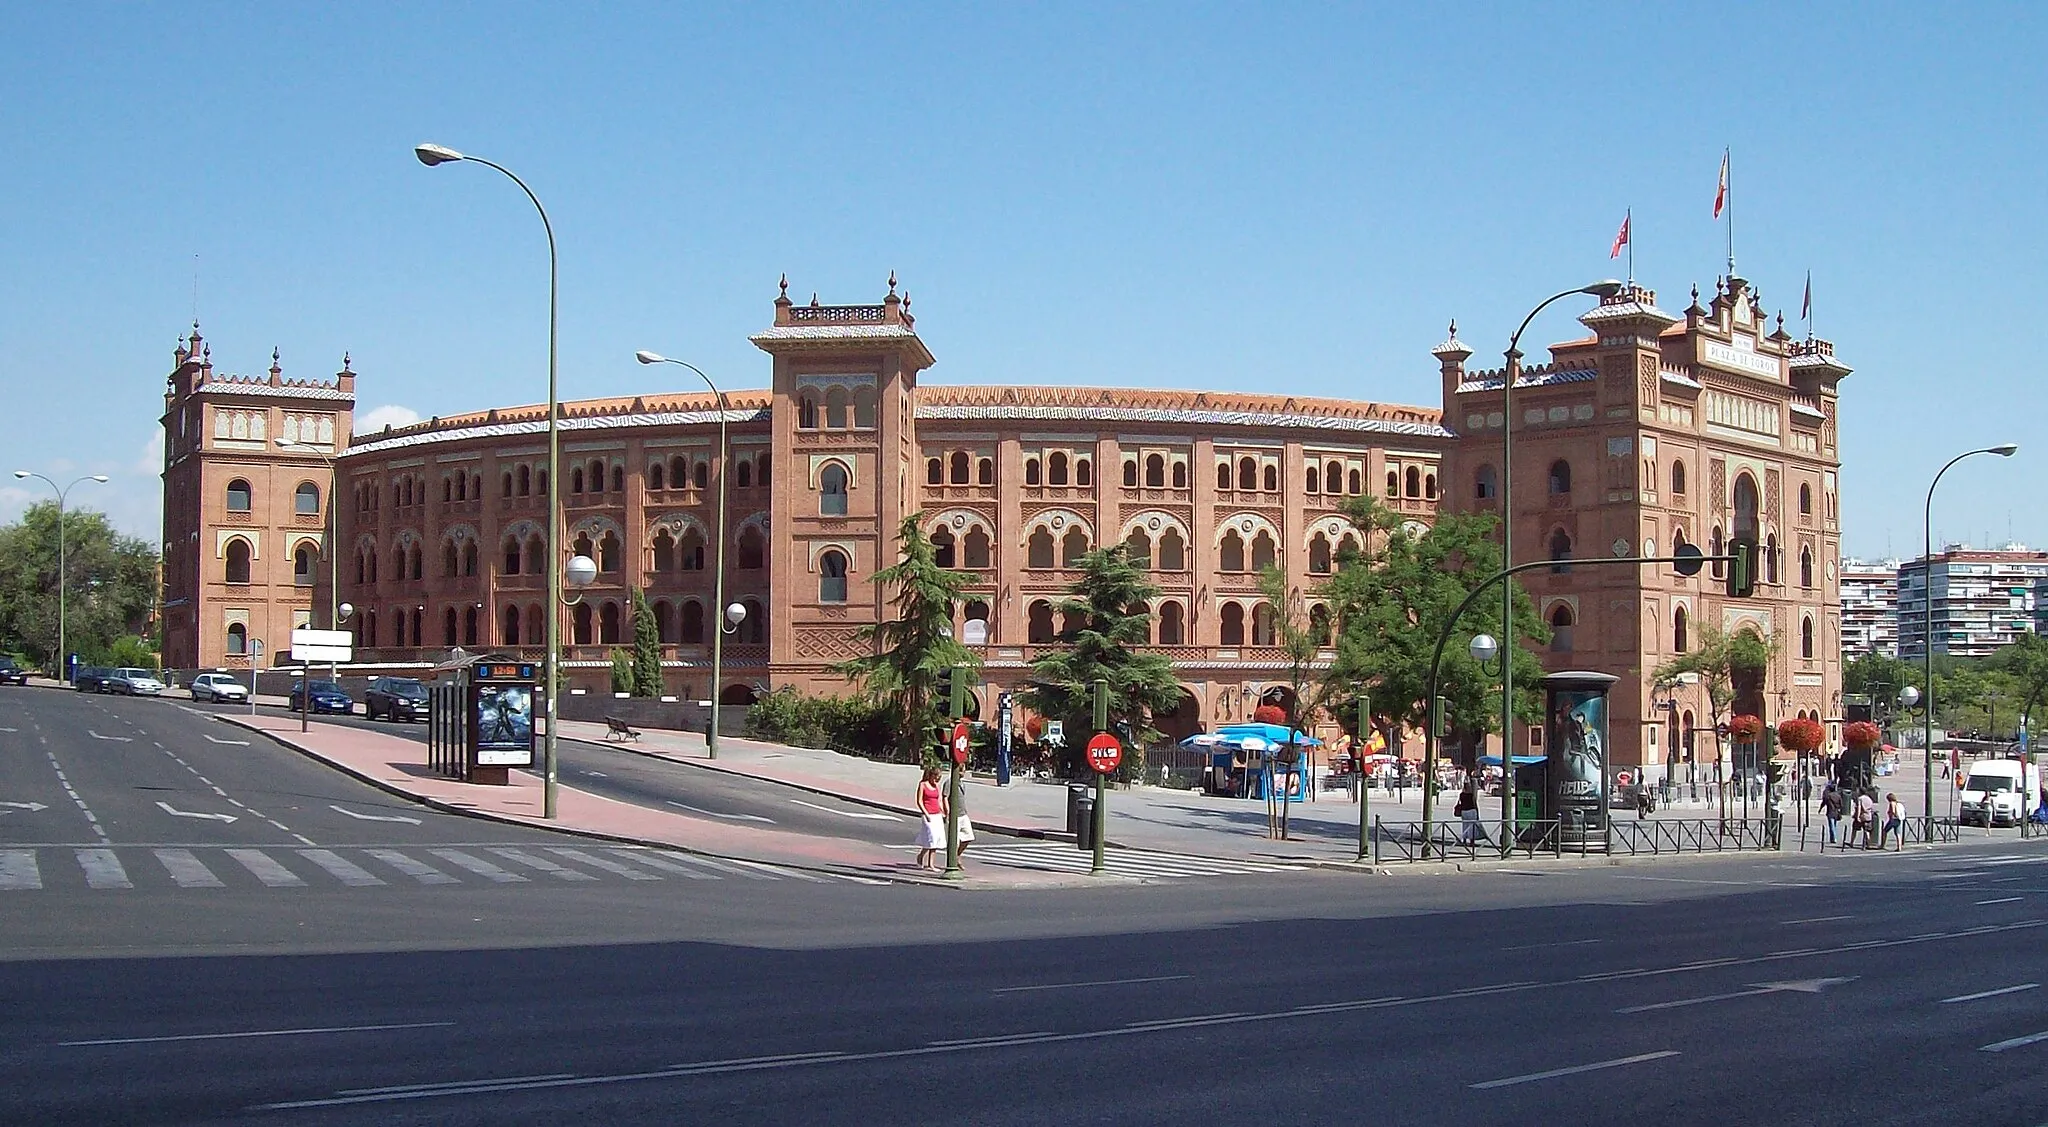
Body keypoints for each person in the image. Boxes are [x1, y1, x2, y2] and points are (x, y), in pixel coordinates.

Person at [913, 766, 946, 871]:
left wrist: (943, 811)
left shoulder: (936, 786)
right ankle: (921, 856)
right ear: (930, 775)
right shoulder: (922, 785)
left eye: (939, 777)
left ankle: (930, 864)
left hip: (937, 814)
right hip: (928, 814)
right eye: (936, 776)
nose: (937, 779)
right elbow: (919, 801)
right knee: (930, 837)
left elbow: (939, 800)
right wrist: (925, 813)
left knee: (936, 839)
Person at [954, 775, 976, 858]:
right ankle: (953, 860)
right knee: (954, 841)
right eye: (961, 770)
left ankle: (957, 856)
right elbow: (945, 797)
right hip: (955, 815)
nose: (963, 772)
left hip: (963, 814)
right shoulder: (950, 782)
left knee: (969, 836)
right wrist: (947, 811)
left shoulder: (962, 783)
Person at [1819, 782, 1843, 847]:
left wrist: (1820, 809)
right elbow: (1841, 805)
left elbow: (1824, 802)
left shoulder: (1829, 796)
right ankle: (1833, 837)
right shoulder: (1838, 796)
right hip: (1836, 812)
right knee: (1834, 825)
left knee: (1831, 825)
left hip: (1830, 811)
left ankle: (1833, 838)